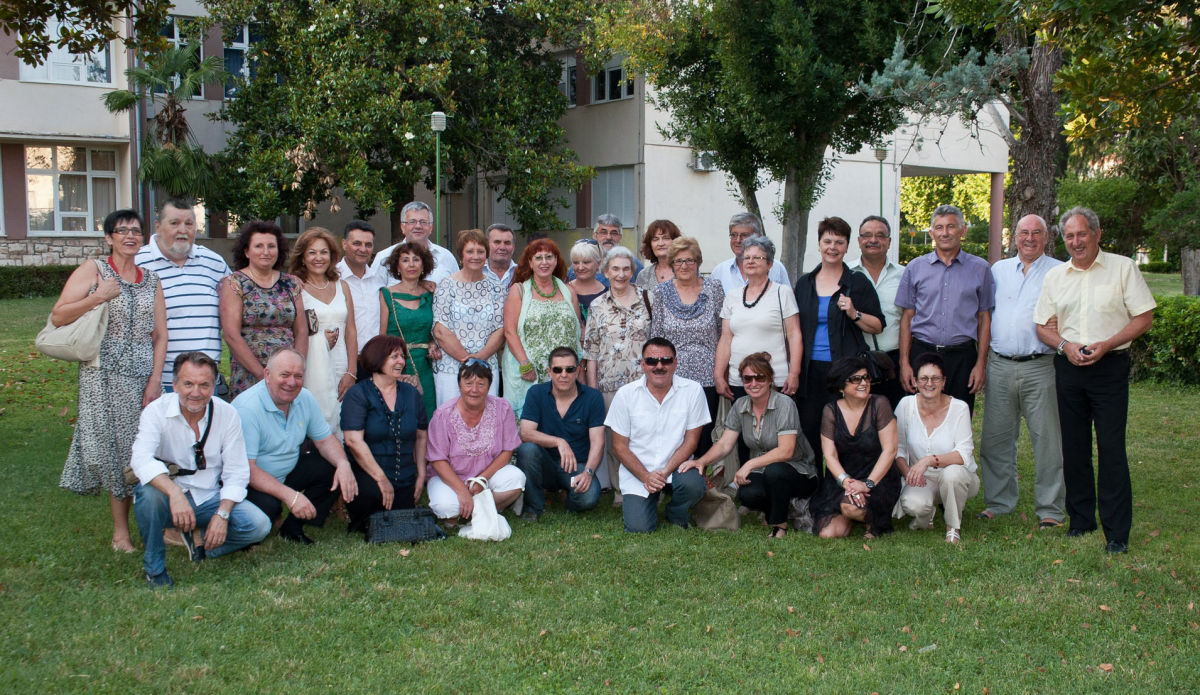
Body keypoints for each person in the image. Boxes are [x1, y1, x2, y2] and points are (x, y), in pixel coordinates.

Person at [1034, 206, 1156, 555]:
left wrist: (1107, 344)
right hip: (1069, 367)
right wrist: (1065, 346)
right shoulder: (1056, 276)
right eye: (1070, 236)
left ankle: (1116, 532)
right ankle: (1081, 520)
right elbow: (1042, 326)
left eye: (1082, 234)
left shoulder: (1123, 268)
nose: (1076, 242)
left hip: (1109, 367)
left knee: (1111, 448)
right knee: (1074, 447)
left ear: (1097, 234)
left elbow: (1144, 317)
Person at [55, 208, 167, 553]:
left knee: (146, 444)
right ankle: (121, 533)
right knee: (116, 449)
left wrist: (155, 380)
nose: (130, 236)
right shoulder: (94, 270)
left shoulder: (152, 279)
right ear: (109, 238)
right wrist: (98, 296)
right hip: (103, 373)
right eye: (122, 231)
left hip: (142, 374)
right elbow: (58, 316)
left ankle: (159, 522)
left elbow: (160, 335)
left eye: (136, 230)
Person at [130, 353, 272, 587]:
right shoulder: (156, 411)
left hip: (209, 497)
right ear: (175, 385)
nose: (195, 392)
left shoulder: (227, 414)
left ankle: (201, 543)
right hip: (169, 499)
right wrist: (174, 493)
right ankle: (155, 568)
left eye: (204, 385)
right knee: (148, 495)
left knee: (258, 525)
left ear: (214, 386)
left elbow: (237, 472)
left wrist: (223, 514)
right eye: (188, 384)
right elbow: (141, 459)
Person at [977, 214, 1065, 529]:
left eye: (1036, 232)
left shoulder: (1059, 271)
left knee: (1047, 440)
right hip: (1000, 364)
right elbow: (985, 315)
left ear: (1046, 237)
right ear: (1014, 237)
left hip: (1041, 365)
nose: (1029, 238)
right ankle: (999, 503)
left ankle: (1050, 509)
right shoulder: (998, 270)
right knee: (996, 439)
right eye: (1024, 232)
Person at [685, 353, 818, 538]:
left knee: (775, 471)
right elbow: (724, 444)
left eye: (760, 377)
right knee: (748, 495)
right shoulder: (740, 405)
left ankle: (779, 525)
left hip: (799, 471)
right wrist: (701, 461)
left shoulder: (784, 404)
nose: (753, 383)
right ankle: (786, 505)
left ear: (770, 379)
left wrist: (749, 464)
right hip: (763, 471)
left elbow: (786, 451)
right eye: (748, 379)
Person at [236, 349, 359, 544]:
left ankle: (292, 528)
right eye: (284, 375)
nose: (291, 382)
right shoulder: (248, 409)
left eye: (298, 376)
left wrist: (343, 464)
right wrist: (290, 496)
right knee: (268, 509)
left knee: (332, 468)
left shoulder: (305, 398)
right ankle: (269, 516)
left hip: (287, 470)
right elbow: (247, 470)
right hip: (251, 481)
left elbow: (325, 440)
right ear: (267, 374)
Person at [793, 216, 885, 463]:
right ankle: (814, 484)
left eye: (839, 242)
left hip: (845, 373)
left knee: (845, 435)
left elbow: (878, 325)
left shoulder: (857, 282)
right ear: (819, 244)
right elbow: (794, 329)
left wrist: (854, 313)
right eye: (827, 241)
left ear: (846, 247)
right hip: (810, 372)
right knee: (810, 433)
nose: (832, 247)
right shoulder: (804, 284)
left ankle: (843, 483)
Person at [605, 338, 710, 533]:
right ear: (643, 364)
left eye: (666, 360)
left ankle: (676, 512)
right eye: (652, 361)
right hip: (638, 471)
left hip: (677, 468)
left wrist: (664, 472)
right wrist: (646, 476)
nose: (659, 366)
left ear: (675, 363)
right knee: (639, 528)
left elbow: (691, 442)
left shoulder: (693, 391)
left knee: (694, 484)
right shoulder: (625, 395)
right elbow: (619, 446)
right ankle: (648, 501)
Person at [895, 204, 993, 413]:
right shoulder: (915, 268)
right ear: (932, 233)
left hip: (962, 357)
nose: (945, 233)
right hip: (923, 353)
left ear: (963, 230)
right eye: (939, 228)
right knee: (918, 417)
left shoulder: (980, 269)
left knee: (959, 415)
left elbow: (984, 318)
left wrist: (980, 364)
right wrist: (904, 363)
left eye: (951, 226)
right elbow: (907, 317)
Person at [135, 197, 230, 391]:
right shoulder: (137, 263)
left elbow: (233, 310)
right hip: (157, 383)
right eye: (174, 223)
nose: (183, 230)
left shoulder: (214, 263)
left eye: (189, 224)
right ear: (158, 227)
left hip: (205, 383)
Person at [582, 247, 653, 500]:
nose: (621, 274)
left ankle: (648, 483)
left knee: (645, 436)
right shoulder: (598, 305)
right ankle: (620, 490)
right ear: (606, 272)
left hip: (645, 382)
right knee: (616, 440)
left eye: (626, 269)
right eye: (615, 269)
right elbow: (591, 351)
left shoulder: (649, 299)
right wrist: (593, 389)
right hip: (609, 384)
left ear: (633, 271)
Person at [340, 336, 428, 534]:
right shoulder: (358, 394)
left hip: (404, 476)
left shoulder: (411, 393)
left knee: (403, 523)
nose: (401, 361)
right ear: (377, 358)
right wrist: (381, 479)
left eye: (402, 357)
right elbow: (353, 441)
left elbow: (422, 435)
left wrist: (421, 474)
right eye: (394, 357)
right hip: (369, 478)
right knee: (374, 517)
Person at [649, 237, 724, 464]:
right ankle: (672, 475)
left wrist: (721, 372)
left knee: (703, 433)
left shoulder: (714, 289)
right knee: (674, 433)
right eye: (678, 261)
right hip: (673, 376)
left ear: (698, 262)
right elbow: (656, 336)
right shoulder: (661, 292)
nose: (684, 266)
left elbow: (723, 332)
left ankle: (700, 473)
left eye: (689, 260)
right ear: (671, 263)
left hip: (707, 376)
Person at [893, 353, 979, 544]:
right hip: (922, 479)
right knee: (913, 504)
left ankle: (953, 528)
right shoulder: (905, 405)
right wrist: (909, 474)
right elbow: (898, 449)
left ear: (944, 382)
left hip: (958, 476)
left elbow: (963, 454)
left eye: (935, 378)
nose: (929, 383)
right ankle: (926, 514)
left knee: (952, 475)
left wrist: (929, 460)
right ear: (915, 382)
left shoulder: (959, 408)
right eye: (924, 378)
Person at [810, 357, 900, 539]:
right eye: (856, 379)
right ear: (841, 387)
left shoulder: (879, 404)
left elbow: (890, 450)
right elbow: (830, 454)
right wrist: (846, 482)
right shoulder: (831, 410)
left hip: (878, 477)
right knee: (828, 533)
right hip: (845, 477)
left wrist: (867, 484)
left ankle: (871, 521)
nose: (864, 383)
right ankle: (855, 510)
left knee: (850, 508)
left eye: (866, 377)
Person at [425, 359, 525, 522]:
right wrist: (462, 491)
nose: (474, 390)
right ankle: (478, 509)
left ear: (489, 386)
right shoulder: (443, 414)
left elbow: (507, 450)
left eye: (481, 384)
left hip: (488, 475)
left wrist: (481, 479)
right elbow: (437, 460)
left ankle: (474, 511)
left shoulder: (502, 408)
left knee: (516, 479)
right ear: (459, 385)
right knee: (446, 507)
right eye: (468, 383)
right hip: (450, 478)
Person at [514, 347, 605, 521]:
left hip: (575, 467)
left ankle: (568, 495)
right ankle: (533, 507)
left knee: (589, 497)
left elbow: (598, 442)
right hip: (544, 465)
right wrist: (559, 442)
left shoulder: (593, 397)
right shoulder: (536, 393)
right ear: (549, 372)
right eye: (558, 370)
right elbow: (525, 433)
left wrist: (588, 472)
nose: (564, 375)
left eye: (569, 369)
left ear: (577, 371)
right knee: (527, 450)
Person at [220, 221, 307, 397]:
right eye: (258, 246)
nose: (266, 252)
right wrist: (263, 376)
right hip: (249, 373)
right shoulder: (234, 283)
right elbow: (231, 335)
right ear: (246, 251)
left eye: (271, 246)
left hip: (287, 376)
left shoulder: (291, 283)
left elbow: (302, 331)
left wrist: (296, 369)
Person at [715, 235, 803, 408]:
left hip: (774, 378)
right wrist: (718, 375)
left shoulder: (782, 293)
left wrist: (794, 373)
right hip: (740, 380)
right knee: (741, 424)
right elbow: (726, 338)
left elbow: (794, 335)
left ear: (770, 264)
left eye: (757, 257)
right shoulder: (732, 296)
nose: (750, 261)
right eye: (747, 257)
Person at [502, 238, 582, 418]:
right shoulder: (519, 290)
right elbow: (509, 331)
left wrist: (579, 366)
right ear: (530, 263)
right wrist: (524, 364)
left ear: (556, 261)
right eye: (538, 258)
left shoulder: (569, 291)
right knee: (530, 424)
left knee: (563, 419)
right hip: (530, 374)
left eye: (549, 257)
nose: (544, 262)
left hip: (563, 373)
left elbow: (578, 330)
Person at [290, 227, 358, 438]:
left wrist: (351, 371)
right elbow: (294, 330)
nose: (318, 258)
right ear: (302, 257)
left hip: (341, 364)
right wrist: (318, 339)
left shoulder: (342, 286)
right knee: (317, 421)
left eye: (323, 252)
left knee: (344, 422)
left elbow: (351, 330)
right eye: (312, 252)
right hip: (313, 364)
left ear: (332, 256)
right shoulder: (296, 287)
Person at [430, 229, 506, 405]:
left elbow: (500, 329)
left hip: (486, 368)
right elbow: (440, 329)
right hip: (451, 369)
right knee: (451, 417)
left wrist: (479, 359)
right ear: (461, 255)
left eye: (480, 251)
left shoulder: (496, 288)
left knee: (486, 417)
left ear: (487, 255)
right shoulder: (446, 286)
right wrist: (467, 360)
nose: (476, 256)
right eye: (470, 251)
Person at [849, 215, 905, 408]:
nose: (873, 240)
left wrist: (906, 361)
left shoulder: (904, 275)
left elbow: (909, 319)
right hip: (855, 363)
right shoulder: (846, 273)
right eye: (867, 235)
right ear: (859, 241)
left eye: (880, 235)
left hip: (893, 361)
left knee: (893, 416)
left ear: (889, 241)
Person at [379, 240, 440, 417]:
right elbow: (382, 336)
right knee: (400, 416)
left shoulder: (431, 294)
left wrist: (432, 343)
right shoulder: (387, 294)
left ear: (423, 265)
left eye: (416, 259)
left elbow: (434, 328)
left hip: (425, 366)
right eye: (405, 260)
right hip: (397, 365)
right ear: (397, 267)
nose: (411, 264)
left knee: (426, 415)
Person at [372, 200, 460, 284]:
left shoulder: (446, 257)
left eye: (423, 222)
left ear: (431, 227)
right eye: (412, 222)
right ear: (403, 227)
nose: (418, 226)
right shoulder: (384, 257)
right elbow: (373, 291)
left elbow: (458, 289)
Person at [337, 220, 386, 366]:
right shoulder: (332, 277)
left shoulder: (379, 279)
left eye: (368, 245)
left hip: (375, 360)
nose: (363, 249)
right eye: (357, 243)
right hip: (342, 360)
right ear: (344, 244)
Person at [709, 212, 791, 295]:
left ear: (758, 236)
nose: (738, 240)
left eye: (744, 235)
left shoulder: (776, 268)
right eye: (734, 235)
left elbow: (786, 299)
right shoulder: (719, 272)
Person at [566, 214, 643, 285]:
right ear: (594, 236)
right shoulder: (581, 265)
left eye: (614, 233)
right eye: (603, 232)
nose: (609, 237)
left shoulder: (633, 263)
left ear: (620, 237)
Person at [634, 218, 681, 290]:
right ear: (650, 244)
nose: (660, 243)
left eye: (666, 238)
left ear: (676, 241)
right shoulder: (644, 275)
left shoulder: (686, 270)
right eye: (655, 239)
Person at [568, 239, 607, 321]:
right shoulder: (563, 290)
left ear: (598, 264)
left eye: (586, 262)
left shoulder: (607, 294)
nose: (580, 267)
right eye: (576, 263)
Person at [483, 223, 518, 289]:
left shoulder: (523, 274)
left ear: (513, 247)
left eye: (507, 243)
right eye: (497, 242)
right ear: (487, 245)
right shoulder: (476, 272)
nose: (502, 247)